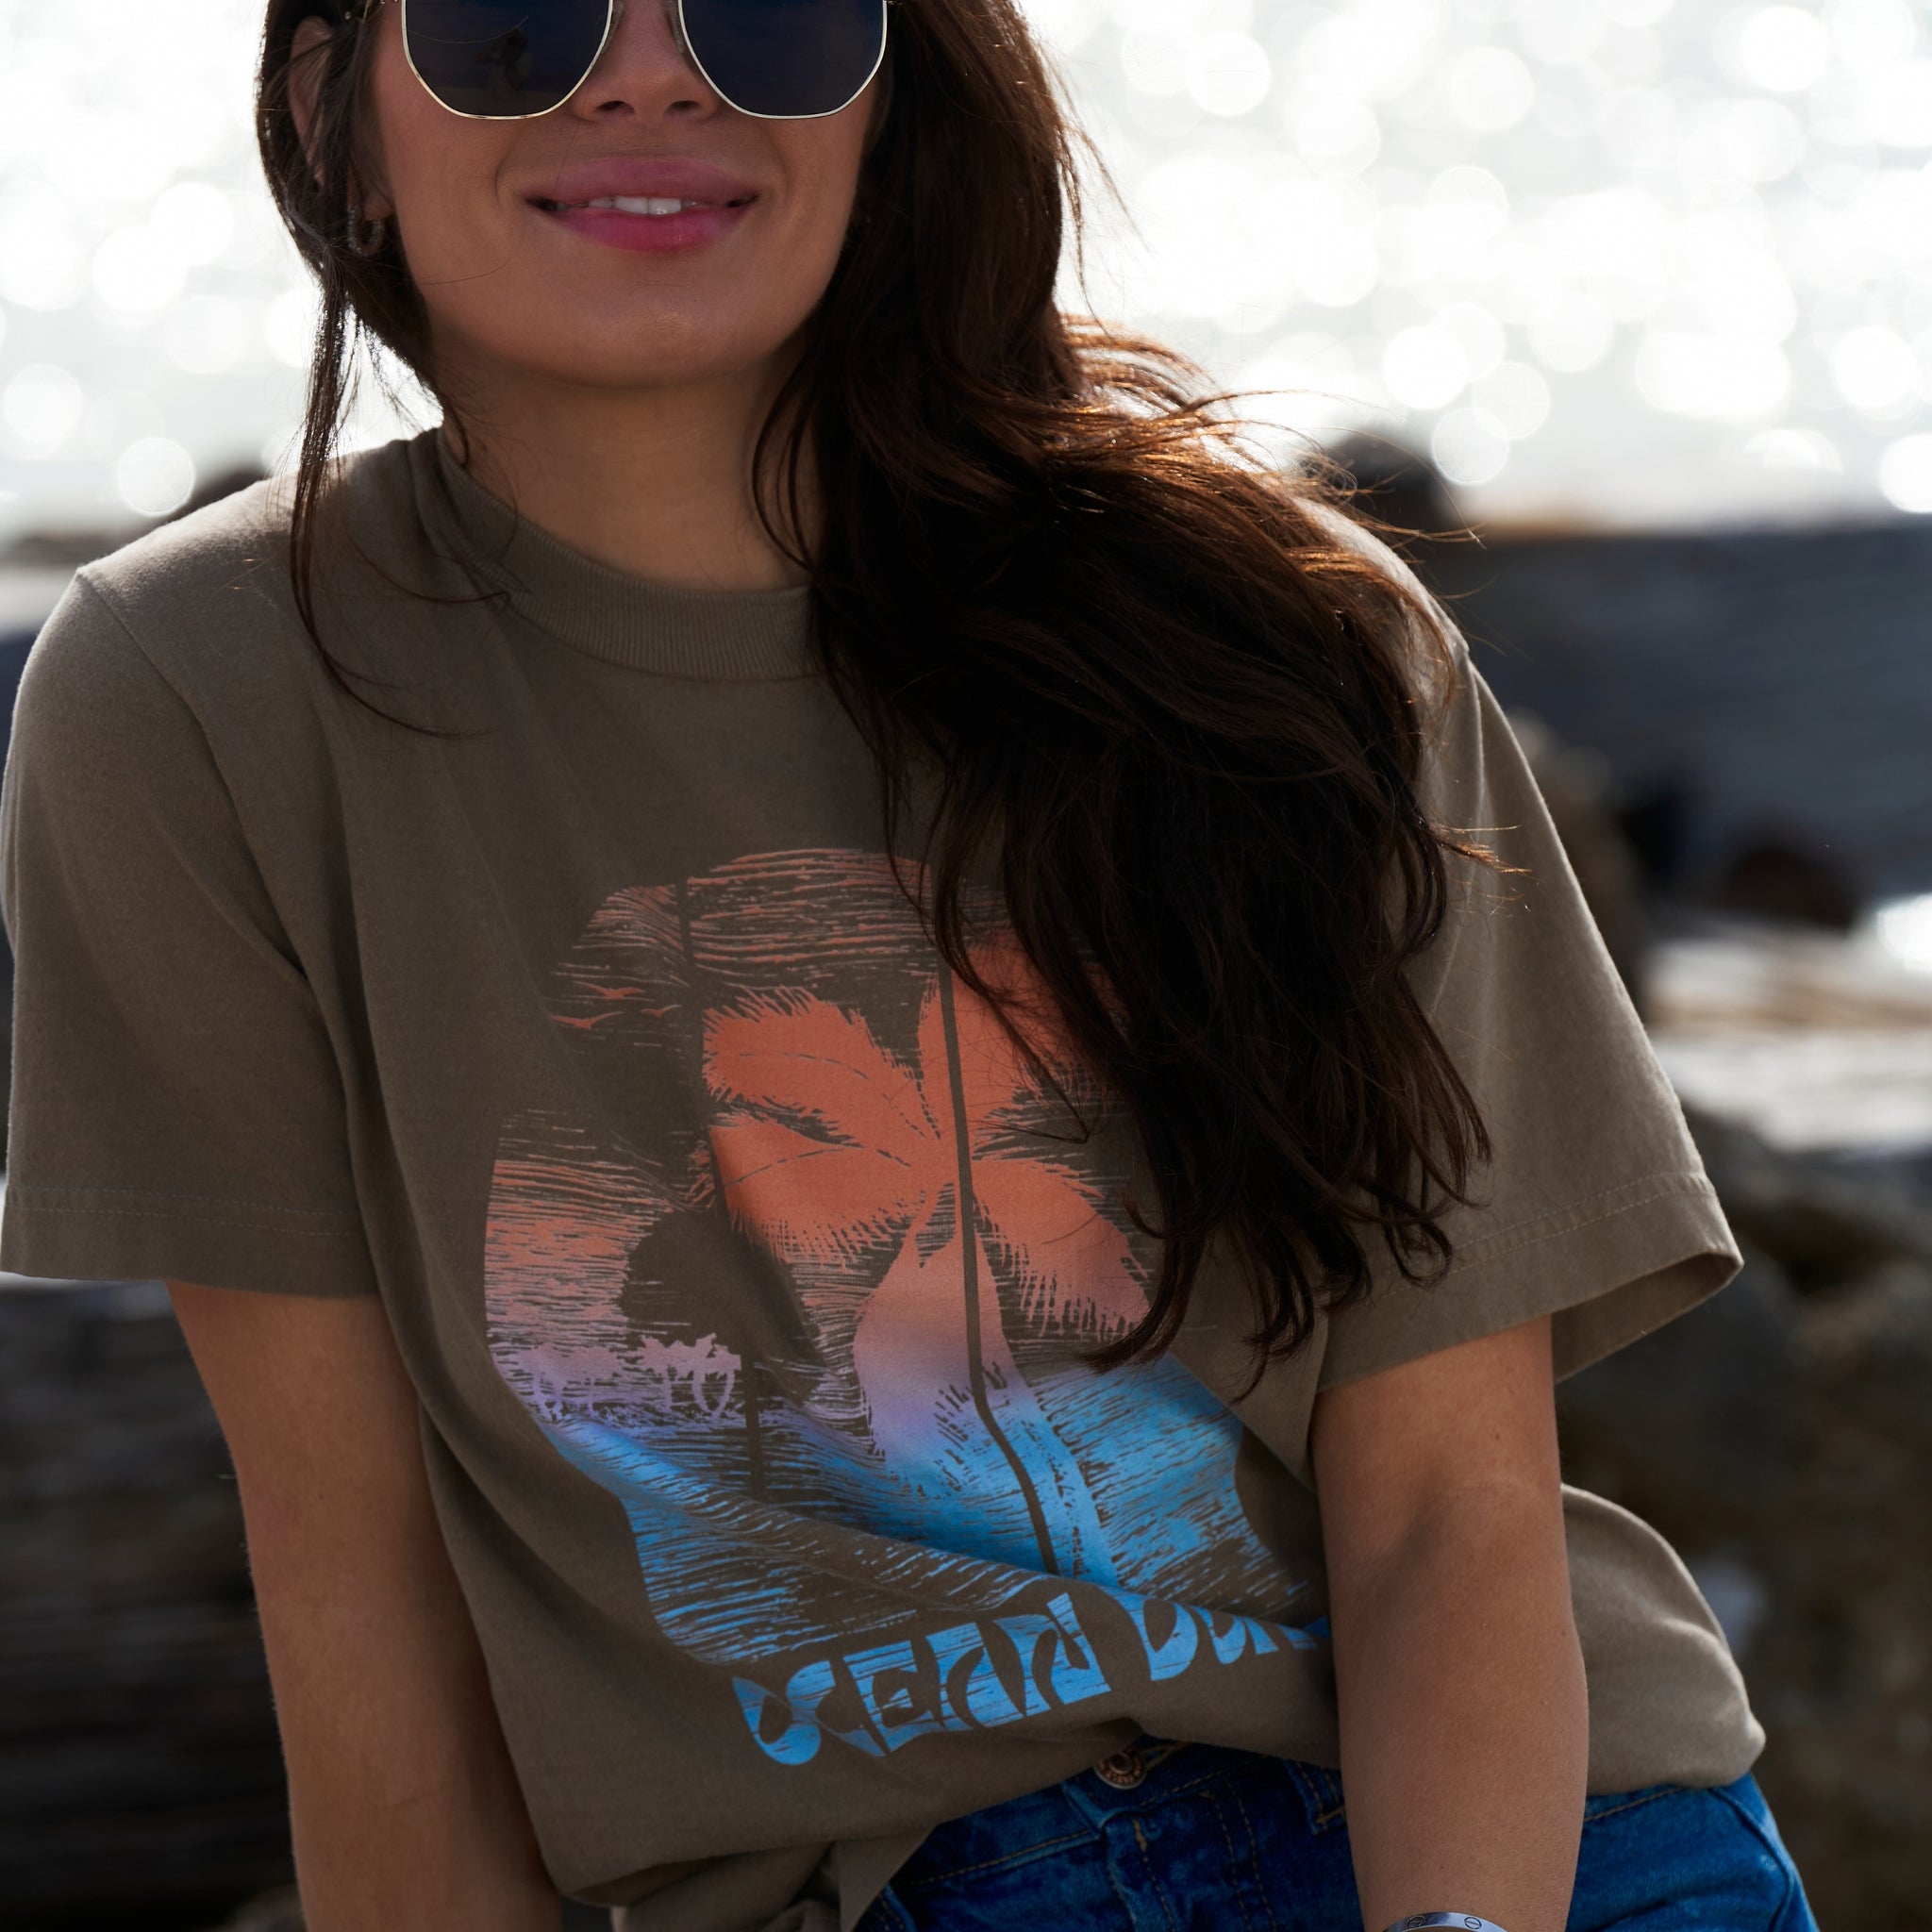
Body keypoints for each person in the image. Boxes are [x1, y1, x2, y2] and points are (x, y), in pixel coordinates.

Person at [0, 2, 1819, 1929]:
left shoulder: (1286, 659)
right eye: (507, 16)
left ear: (893, 97)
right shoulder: (193, 704)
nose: (644, 75)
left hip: (1517, 1849)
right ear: (331, 108)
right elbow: (363, 1607)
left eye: (769, 12)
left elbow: (1450, 1512)